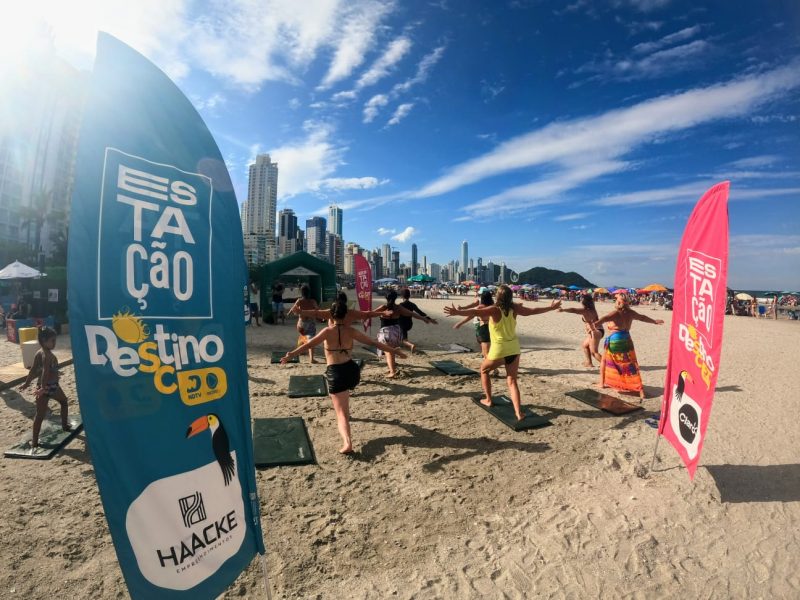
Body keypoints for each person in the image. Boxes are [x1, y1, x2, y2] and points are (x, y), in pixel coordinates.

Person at [281, 296, 407, 454]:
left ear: (331, 316)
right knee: (344, 405)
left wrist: (290, 355)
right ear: (345, 314)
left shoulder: (327, 331)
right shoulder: (351, 330)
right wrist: (394, 351)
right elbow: (373, 343)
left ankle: (347, 442)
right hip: (352, 371)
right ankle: (347, 417)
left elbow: (309, 344)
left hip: (337, 373)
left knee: (340, 414)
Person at [444, 285, 561, 421]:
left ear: (498, 296)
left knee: (484, 370)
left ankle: (488, 400)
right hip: (514, 349)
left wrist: (457, 313)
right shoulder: (515, 308)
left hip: (499, 350)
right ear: (510, 296)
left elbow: (476, 312)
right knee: (512, 381)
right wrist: (551, 308)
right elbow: (532, 310)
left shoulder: (494, 309)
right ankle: (518, 413)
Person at [594, 293, 664, 401]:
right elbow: (642, 317)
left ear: (619, 302)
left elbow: (603, 319)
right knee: (631, 363)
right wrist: (654, 321)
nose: (616, 301)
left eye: (617, 299)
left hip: (616, 339)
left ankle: (602, 383)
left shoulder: (615, 313)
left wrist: (595, 324)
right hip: (627, 339)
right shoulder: (631, 313)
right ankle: (640, 390)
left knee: (604, 361)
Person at [19, 327, 71, 450]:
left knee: (40, 415)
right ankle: (64, 426)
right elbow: (45, 372)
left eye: (55, 340)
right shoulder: (48, 355)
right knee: (63, 402)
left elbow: (32, 371)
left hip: (44, 387)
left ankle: (35, 442)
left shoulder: (39, 352)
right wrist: (43, 388)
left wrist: (27, 383)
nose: (54, 343)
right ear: (44, 340)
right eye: (52, 341)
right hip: (50, 387)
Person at [375, 289, 435, 378]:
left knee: (388, 352)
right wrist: (425, 319)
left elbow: (371, 313)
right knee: (391, 350)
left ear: (386, 297)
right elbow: (412, 314)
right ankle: (392, 367)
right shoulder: (399, 308)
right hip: (397, 332)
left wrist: (364, 316)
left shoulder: (383, 307)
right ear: (396, 298)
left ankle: (392, 371)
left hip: (386, 333)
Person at [453, 288, 499, 377]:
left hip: (484, 329)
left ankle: (493, 369)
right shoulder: (494, 307)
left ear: (482, 298)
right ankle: (494, 367)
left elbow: (470, 316)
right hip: (493, 329)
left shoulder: (480, 307)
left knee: (486, 353)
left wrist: (460, 323)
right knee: (490, 350)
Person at [559, 293, 604, 367]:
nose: (580, 300)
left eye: (581, 299)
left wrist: (563, 310)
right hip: (599, 331)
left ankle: (610, 367)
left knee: (594, 352)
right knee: (585, 346)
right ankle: (589, 363)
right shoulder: (593, 309)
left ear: (584, 302)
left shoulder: (585, 310)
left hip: (595, 331)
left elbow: (573, 310)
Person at [288, 284, 320, 363]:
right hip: (310, 324)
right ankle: (311, 359)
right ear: (309, 292)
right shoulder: (312, 301)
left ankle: (301, 350)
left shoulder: (299, 301)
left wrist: (290, 313)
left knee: (303, 335)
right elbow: (317, 310)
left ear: (301, 292)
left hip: (301, 324)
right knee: (311, 341)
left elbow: (292, 310)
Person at [398, 288, 437, 354]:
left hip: (401, 324)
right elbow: (421, 313)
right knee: (403, 332)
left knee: (402, 335)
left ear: (401, 296)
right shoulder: (412, 304)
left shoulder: (401, 305)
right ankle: (402, 340)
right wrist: (429, 319)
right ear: (409, 296)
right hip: (409, 324)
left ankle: (410, 344)